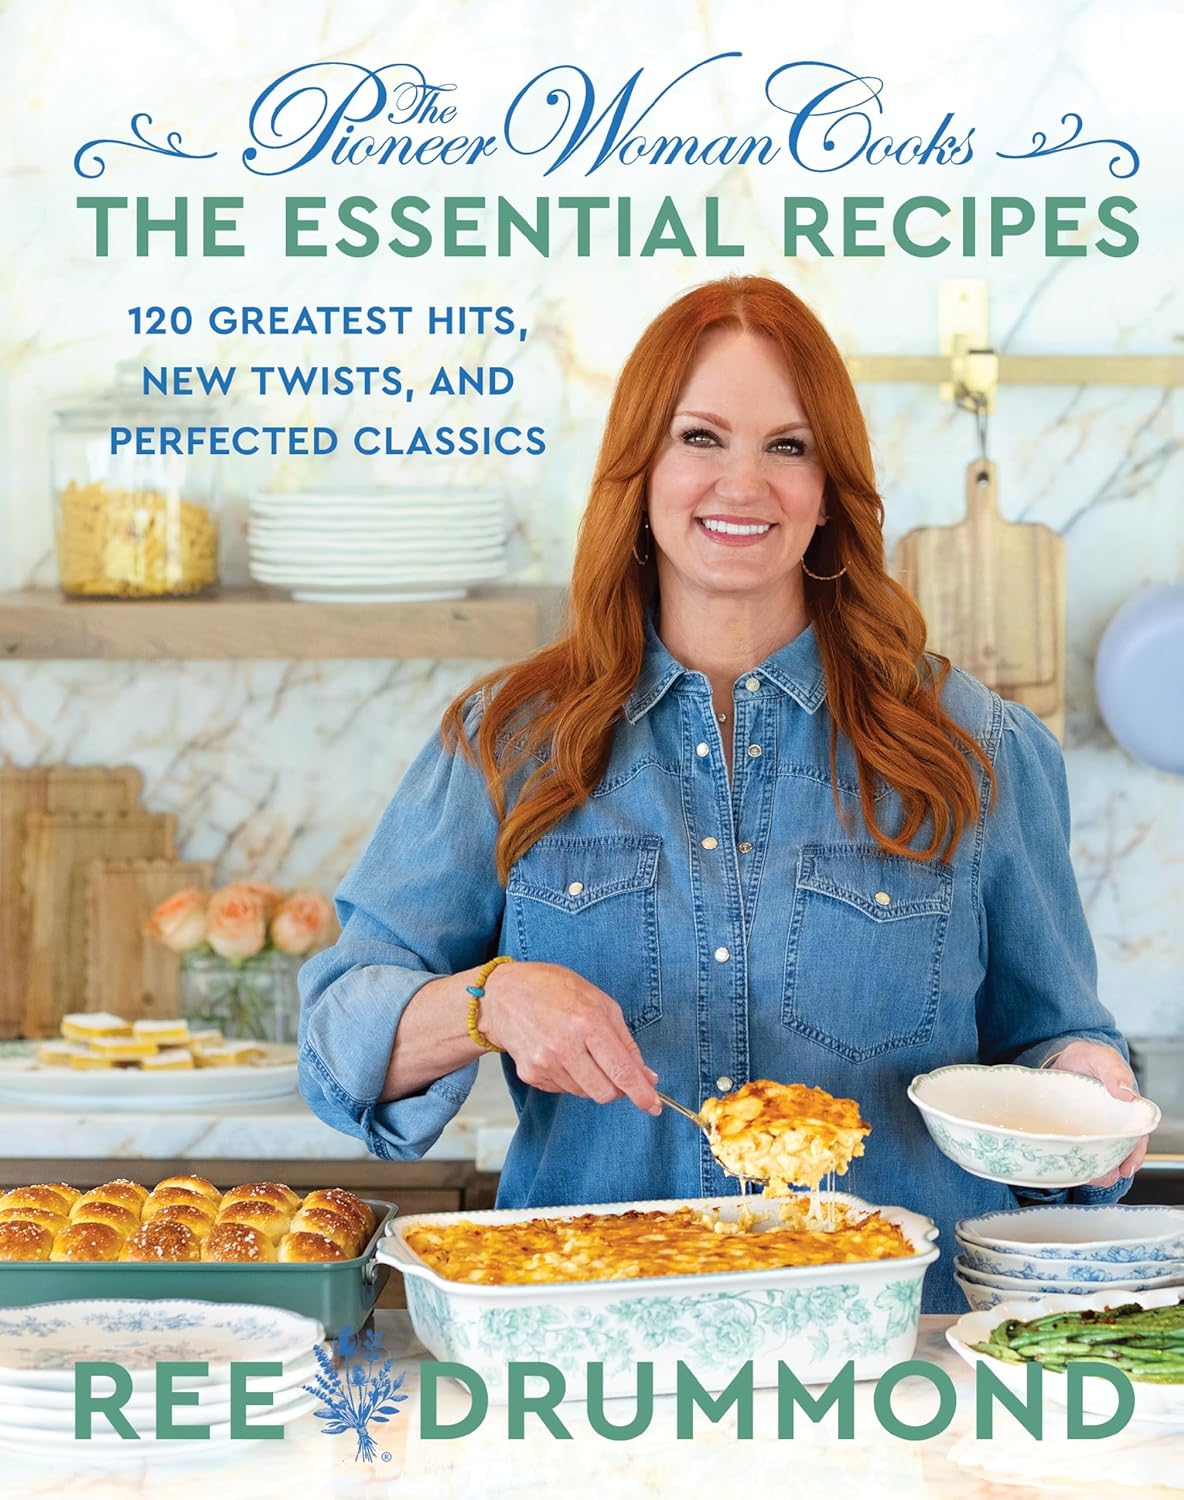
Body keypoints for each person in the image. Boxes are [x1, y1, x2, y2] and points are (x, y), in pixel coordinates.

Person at [298, 275, 1146, 1312]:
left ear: (830, 488)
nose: (742, 484)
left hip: (897, 1352)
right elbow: (337, 1045)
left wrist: (1088, 1085)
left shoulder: (973, 748)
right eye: (699, 437)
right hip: (589, 1344)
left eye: (787, 446)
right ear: (639, 470)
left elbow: (1051, 1042)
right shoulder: (508, 742)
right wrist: (489, 1002)